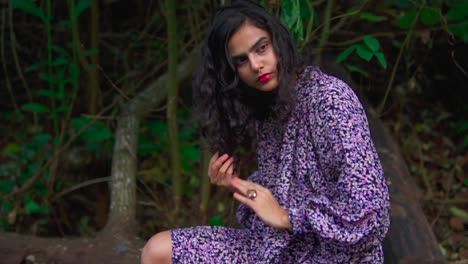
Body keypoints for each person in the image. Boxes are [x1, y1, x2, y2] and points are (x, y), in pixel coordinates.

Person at [141, 0, 390, 263]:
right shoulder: (273, 108)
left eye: (261, 48)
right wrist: (236, 183)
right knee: (158, 251)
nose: (256, 64)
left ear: (278, 41)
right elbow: (274, 201)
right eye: (241, 61)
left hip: (335, 258)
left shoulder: (329, 99)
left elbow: (371, 212)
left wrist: (286, 217)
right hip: (280, 250)